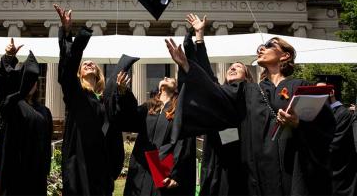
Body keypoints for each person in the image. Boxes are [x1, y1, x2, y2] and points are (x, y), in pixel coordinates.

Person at [166, 20, 336, 196]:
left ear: (285, 56)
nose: (260, 49)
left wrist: (298, 123)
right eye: (260, 48)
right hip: (255, 178)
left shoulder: (301, 87)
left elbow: (326, 127)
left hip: (293, 173)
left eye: (268, 45)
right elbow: (214, 93)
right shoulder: (248, 91)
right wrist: (187, 66)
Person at [54, 4, 124, 196]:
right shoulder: (76, 95)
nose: (89, 63)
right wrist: (67, 34)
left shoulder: (104, 99)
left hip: (103, 165)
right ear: (79, 73)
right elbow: (66, 72)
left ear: (99, 73)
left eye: (92, 63)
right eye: (84, 64)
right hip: (80, 164)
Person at [184, 14, 249, 196]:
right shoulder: (221, 93)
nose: (232, 68)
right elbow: (206, 73)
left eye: (238, 67)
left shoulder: (249, 93)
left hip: (239, 156)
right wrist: (199, 37)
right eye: (231, 67)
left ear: (247, 76)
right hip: (215, 156)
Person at [114, 72, 196, 196]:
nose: (165, 78)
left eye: (170, 78)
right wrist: (124, 93)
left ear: (176, 88)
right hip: (142, 164)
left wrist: (176, 174)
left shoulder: (180, 110)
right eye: (163, 77)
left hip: (164, 167)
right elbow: (130, 117)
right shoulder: (149, 107)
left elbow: (185, 143)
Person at [0, 38, 53, 196]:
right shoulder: (12, 104)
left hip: (36, 172)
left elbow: (47, 142)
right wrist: (8, 59)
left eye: (34, 81)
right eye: (27, 80)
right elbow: (2, 85)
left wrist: (45, 168)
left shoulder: (44, 111)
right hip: (13, 170)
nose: (31, 84)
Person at [316, 74, 357, 196]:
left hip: (340, 174)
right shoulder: (322, 112)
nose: (316, 94)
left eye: (319, 91)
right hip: (325, 171)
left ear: (331, 92)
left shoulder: (343, 114)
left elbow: (334, 144)